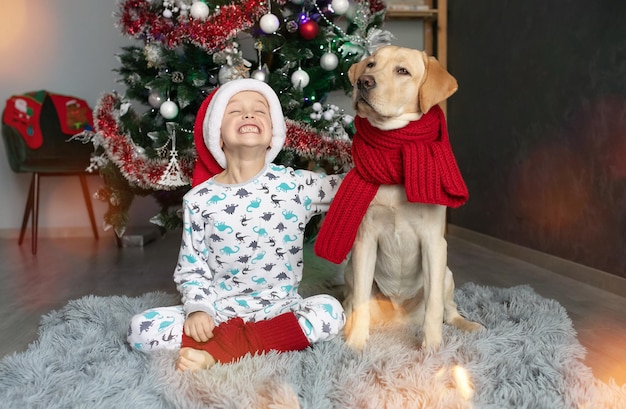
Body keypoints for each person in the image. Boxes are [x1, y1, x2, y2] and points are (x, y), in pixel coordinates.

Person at [127, 78, 345, 371]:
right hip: (221, 312)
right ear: (217, 135)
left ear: (273, 135)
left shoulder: (296, 185)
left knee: (330, 312)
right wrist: (198, 310)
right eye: (235, 111)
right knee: (140, 329)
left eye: (260, 110)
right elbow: (193, 269)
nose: (249, 115)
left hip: (281, 309)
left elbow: (348, 190)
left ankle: (221, 351)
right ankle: (262, 342)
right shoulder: (199, 200)